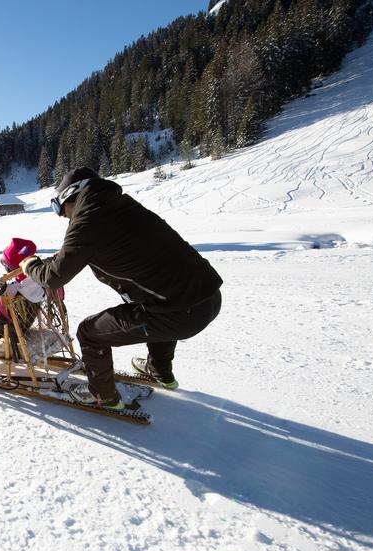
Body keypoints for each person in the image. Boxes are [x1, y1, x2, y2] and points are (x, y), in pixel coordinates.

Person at [19, 167, 222, 410]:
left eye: (59, 208)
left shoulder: (87, 222)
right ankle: (159, 371)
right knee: (154, 303)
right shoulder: (121, 205)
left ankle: (102, 395)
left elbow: (53, 278)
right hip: (207, 297)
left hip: (181, 314)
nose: (62, 216)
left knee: (89, 333)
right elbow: (78, 251)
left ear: (71, 196)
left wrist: (30, 265)